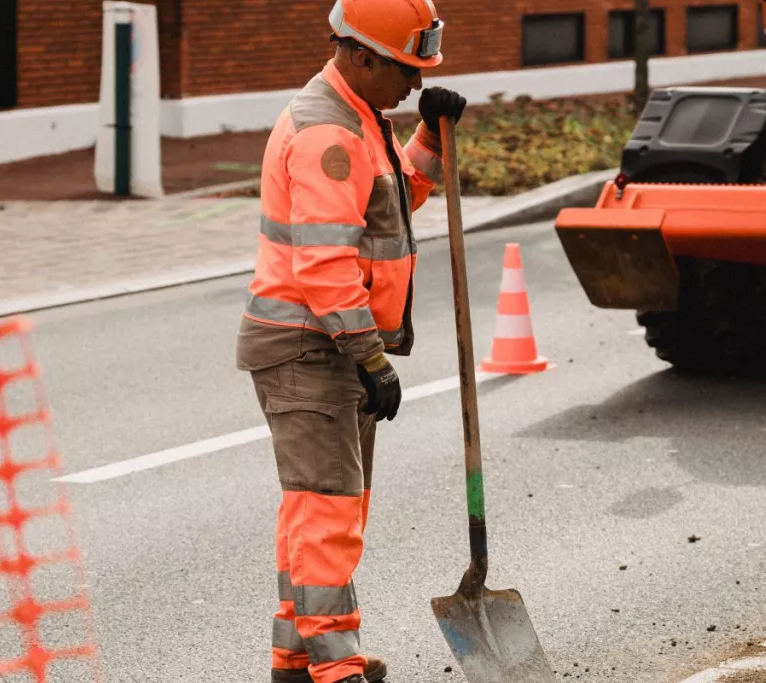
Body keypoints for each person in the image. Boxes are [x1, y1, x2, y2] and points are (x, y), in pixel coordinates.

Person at [235, 1, 466, 681]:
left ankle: (297, 658)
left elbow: (394, 203)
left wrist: (426, 136)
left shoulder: (361, 117)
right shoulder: (327, 134)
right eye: (407, 70)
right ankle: (334, 668)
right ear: (361, 54)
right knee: (329, 510)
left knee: (316, 505)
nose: (415, 84)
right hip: (312, 348)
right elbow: (324, 264)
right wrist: (369, 355)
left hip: (320, 344)